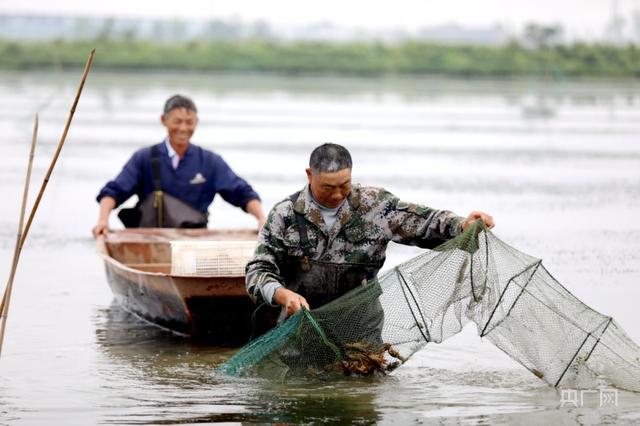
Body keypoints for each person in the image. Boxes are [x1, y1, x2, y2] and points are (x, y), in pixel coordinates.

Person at [245, 143, 494, 318]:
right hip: (301, 324)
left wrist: (462, 225)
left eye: (344, 185)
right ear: (310, 175)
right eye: (328, 187)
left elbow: (425, 223)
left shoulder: (375, 205)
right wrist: (281, 294)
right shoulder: (286, 214)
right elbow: (258, 271)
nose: (337, 195)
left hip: (360, 326)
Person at [92, 95, 265, 237]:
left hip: (194, 243)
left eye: (189, 122)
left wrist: (261, 218)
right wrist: (103, 220)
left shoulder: (209, 161)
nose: (183, 128)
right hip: (149, 241)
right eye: (177, 121)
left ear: (196, 122)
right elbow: (113, 192)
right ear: (163, 120)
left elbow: (242, 192)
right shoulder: (144, 158)